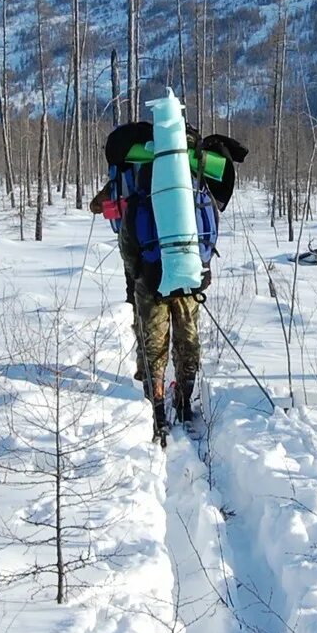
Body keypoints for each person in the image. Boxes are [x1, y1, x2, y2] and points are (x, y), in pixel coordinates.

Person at [96, 117, 247, 441]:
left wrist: (137, 275)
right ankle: (184, 401)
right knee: (187, 341)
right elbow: (211, 223)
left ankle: (157, 408)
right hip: (189, 276)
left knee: (153, 346)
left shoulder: (139, 185)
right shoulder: (193, 182)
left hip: (149, 279)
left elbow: (126, 241)